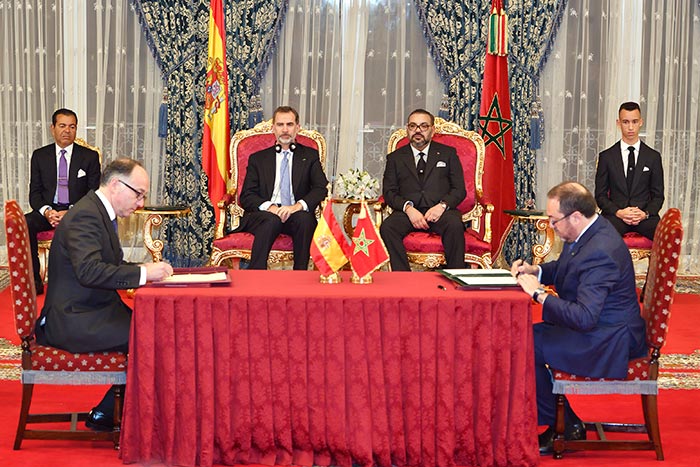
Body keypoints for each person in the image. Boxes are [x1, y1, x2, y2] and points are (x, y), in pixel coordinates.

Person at [34, 158, 173, 431]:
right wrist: (143, 274)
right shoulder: (86, 215)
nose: (140, 203)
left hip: (92, 310)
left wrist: (146, 270)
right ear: (115, 184)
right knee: (157, 336)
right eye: (138, 194)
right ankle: (107, 415)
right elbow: (89, 271)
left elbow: (111, 265)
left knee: (159, 327)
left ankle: (119, 412)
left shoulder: (98, 211)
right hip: (73, 319)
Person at [511, 181, 647, 455]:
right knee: (523, 337)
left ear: (574, 216)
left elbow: (584, 317)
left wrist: (539, 294)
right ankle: (564, 420)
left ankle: (566, 425)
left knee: (523, 345)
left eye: (554, 220)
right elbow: (567, 267)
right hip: (600, 326)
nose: (552, 226)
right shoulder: (588, 231)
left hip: (608, 339)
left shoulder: (601, 251)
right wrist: (536, 270)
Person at [235, 105, 328, 270]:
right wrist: (271, 208)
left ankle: (300, 276)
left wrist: (296, 207)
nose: (285, 130)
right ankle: (256, 273)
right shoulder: (258, 159)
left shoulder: (309, 156)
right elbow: (247, 195)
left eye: (289, 124)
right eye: (280, 125)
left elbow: (320, 188)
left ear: (297, 127)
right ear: (273, 128)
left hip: (294, 213)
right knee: (272, 220)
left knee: (305, 220)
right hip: (265, 216)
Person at [25, 108, 102, 295]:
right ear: (52, 128)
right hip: (49, 211)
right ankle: (34, 280)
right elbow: (34, 193)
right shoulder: (40, 156)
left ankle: (85, 279)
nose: (67, 130)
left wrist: (71, 212)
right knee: (26, 222)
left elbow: (93, 193)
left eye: (72, 126)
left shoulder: (89, 157)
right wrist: (47, 212)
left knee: (94, 220)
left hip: (78, 211)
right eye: (62, 126)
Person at [380, 109, 466, 271]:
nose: (418, 130)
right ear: (407, 129)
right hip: (408, 213)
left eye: (423, 126)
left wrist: (442, 206)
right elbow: (389, 192)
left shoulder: (448, 154)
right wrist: (408, 208)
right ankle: (403, 277)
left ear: (432, 130)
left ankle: (456, 276)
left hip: (440, 212)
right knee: (388, 227)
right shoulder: (395, 158)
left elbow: (459, 189)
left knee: (455, 225)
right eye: (413, 126)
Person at [595, 101, 664, 240]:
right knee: (601, 236)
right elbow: (600, 195)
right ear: (618, 123)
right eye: (625, 122)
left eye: (634, 121)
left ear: (641, 122)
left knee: (664, 235)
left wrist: (645, 214)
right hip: (615, 216)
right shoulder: (606, 157)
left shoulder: (653, 157)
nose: (630, 127)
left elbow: (658, 196)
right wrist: (619, 212)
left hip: (645, 217)